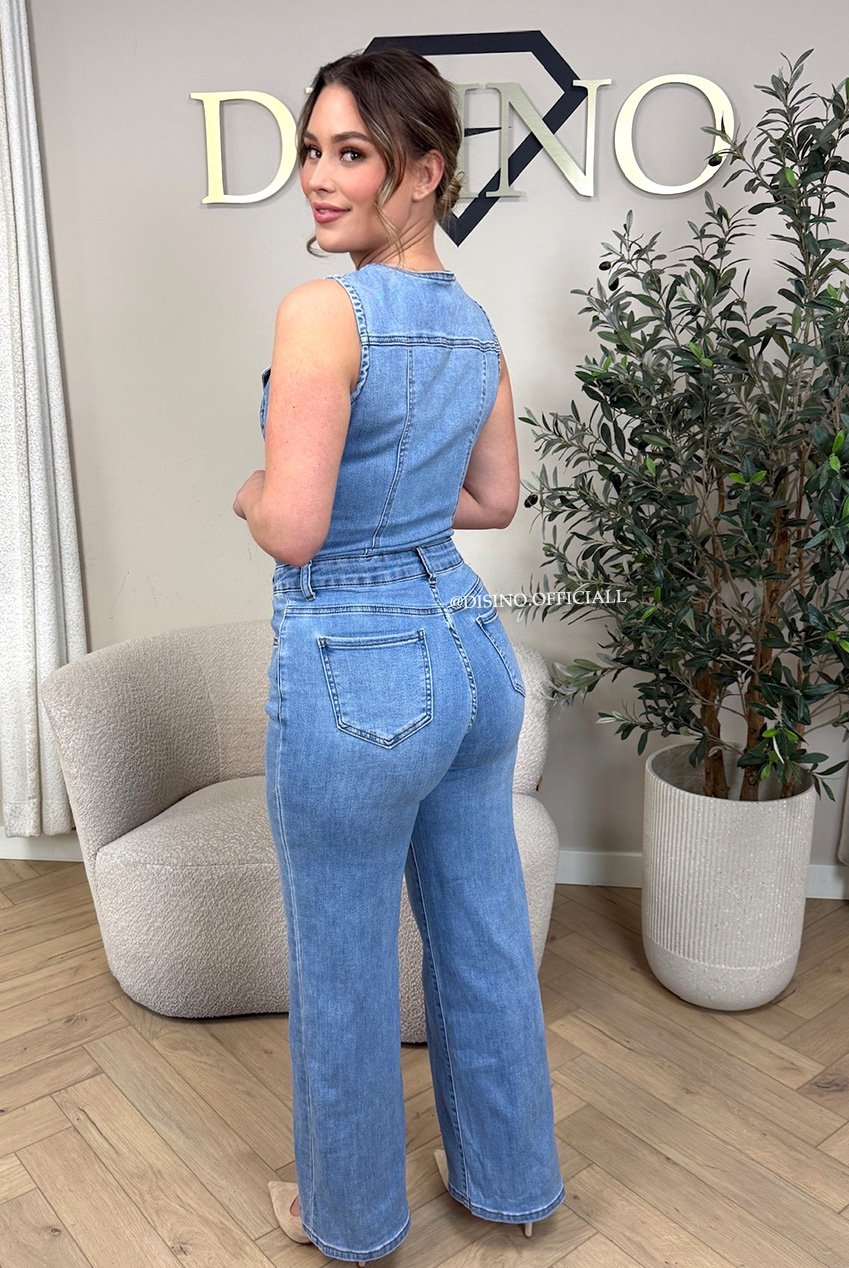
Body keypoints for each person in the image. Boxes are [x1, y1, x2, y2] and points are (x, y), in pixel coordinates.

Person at [232, 45, 566, 1266]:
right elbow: (494, 499)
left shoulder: (323, 313)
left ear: (425, 172)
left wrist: (250, 489)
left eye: (351, 154)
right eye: (312, 151)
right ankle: (513, 1183)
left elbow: (295, 526)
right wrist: (397, 511)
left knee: (344, 958)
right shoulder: (473, 325)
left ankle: (352, 1218)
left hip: (356, 667)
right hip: (471, 654)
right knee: (483, 933)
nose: (319, 179)